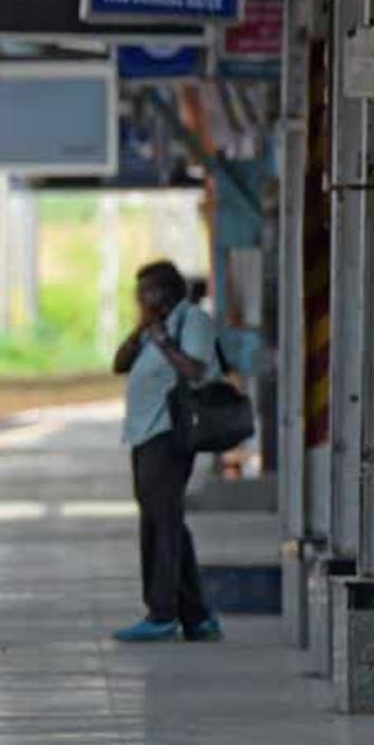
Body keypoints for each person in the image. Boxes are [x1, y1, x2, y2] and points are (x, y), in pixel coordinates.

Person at [111, 260, 223, 643]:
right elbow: (119, 364)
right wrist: (144, 329)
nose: (139, 299)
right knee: (165, 520)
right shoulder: (154, 327)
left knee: (161, 523)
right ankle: (197, 616)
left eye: (145, 292)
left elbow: (195, 370)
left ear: (165, 292)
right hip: (145, 435)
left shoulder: (192, 321)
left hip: (170, 435)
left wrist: (162, 340)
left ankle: (162, 612)